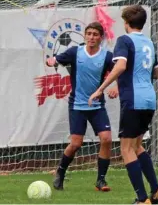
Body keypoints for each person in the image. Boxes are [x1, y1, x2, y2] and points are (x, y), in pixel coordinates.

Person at [89, 5, 158, 204]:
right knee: (138, 146)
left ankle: (141, 199)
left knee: (126, 149)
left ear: (126, 23)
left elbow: (121, 66)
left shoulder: (124, 40)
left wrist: (100, 89)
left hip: (134, 99)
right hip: (149, 98)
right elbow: (156, 73)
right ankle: (156, 190)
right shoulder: (149, 42)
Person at [46, 22, 117, 192]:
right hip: (77, 106)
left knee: (106, 139)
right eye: (89, 34)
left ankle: (100, 180)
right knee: (76, 144)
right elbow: (56, 59)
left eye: (95, 34)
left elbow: (120, 72)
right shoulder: (75, 52)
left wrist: (116, 87)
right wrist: (51, 61)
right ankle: (60, 173)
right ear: (85, 36)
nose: (92, 37)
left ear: (101, 37)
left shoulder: (107, 56)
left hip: (97, 106)